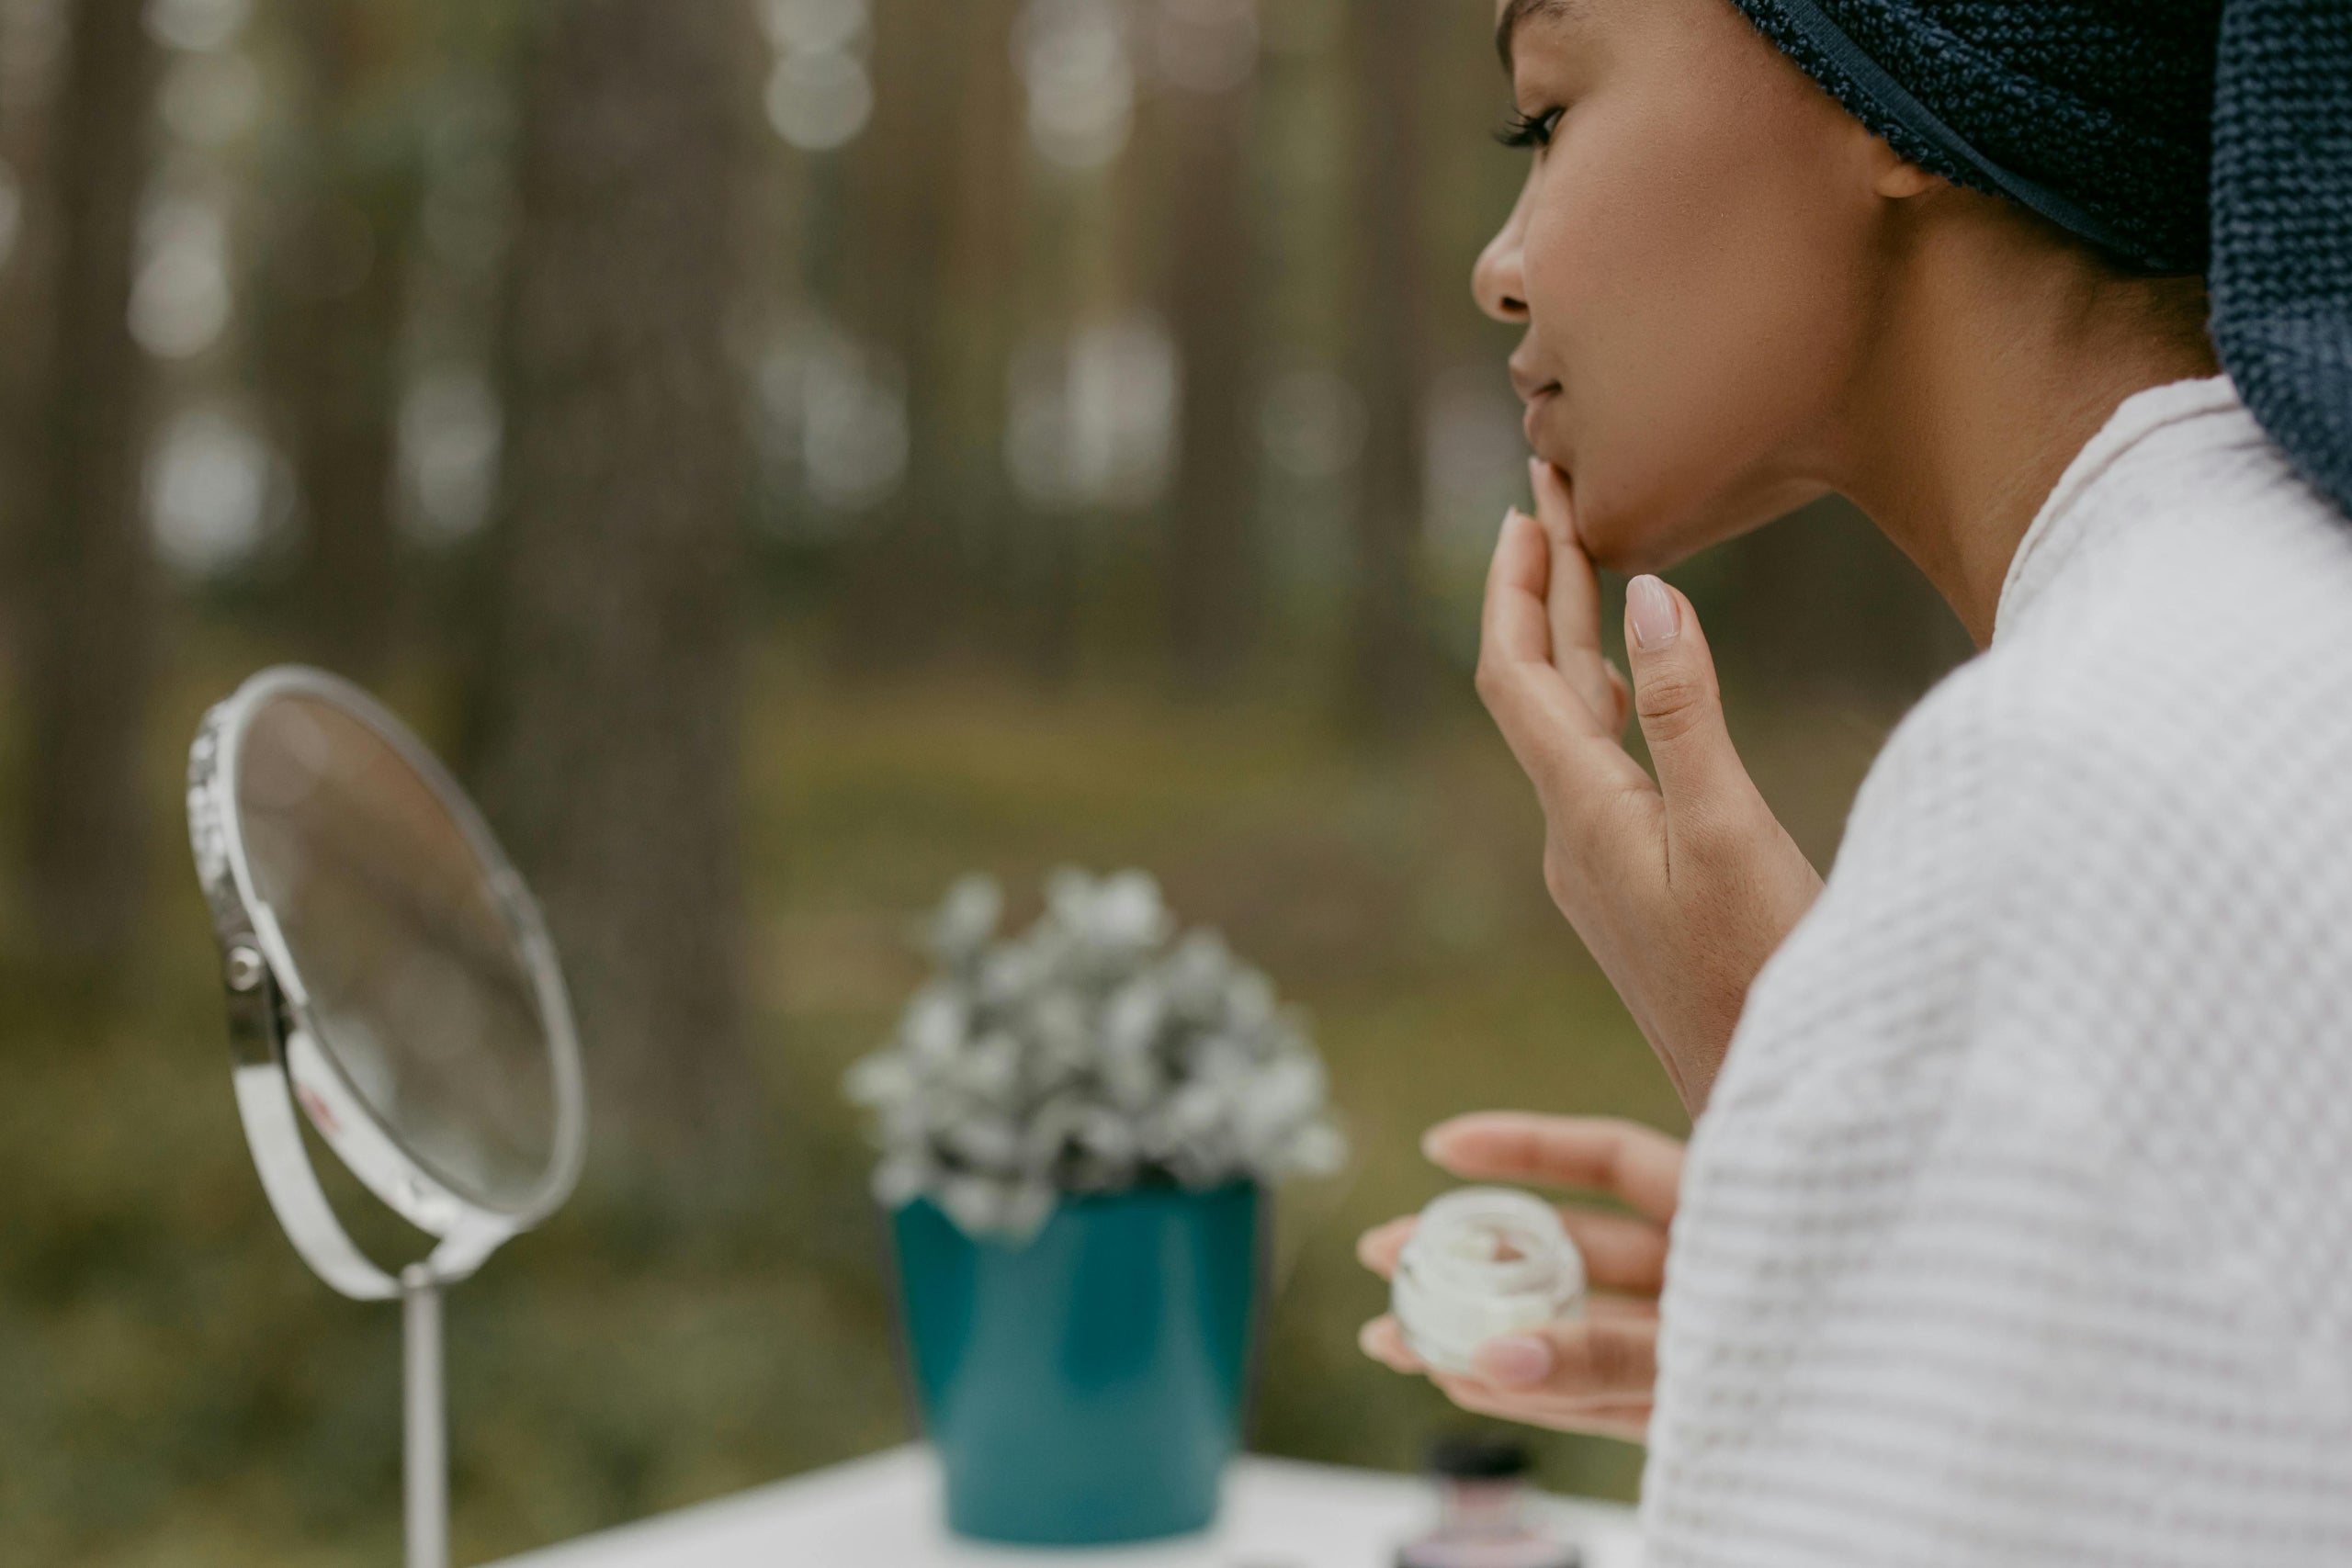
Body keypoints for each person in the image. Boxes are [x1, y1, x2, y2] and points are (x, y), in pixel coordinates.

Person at [1359, 0, 2352, 1562]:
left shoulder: (2073, 780)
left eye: (1544, 119)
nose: (1501, 264)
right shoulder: (2276, 640)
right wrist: (1854, 1264)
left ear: (1889, 96)